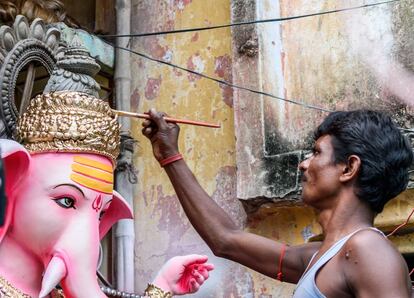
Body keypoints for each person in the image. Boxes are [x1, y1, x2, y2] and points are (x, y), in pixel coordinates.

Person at [142, 108, 413, 297]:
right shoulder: (318, 256)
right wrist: (169, 155)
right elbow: (225, 239)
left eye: (316, 153)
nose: (303, 164)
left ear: (348, 168)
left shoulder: (367, 250)